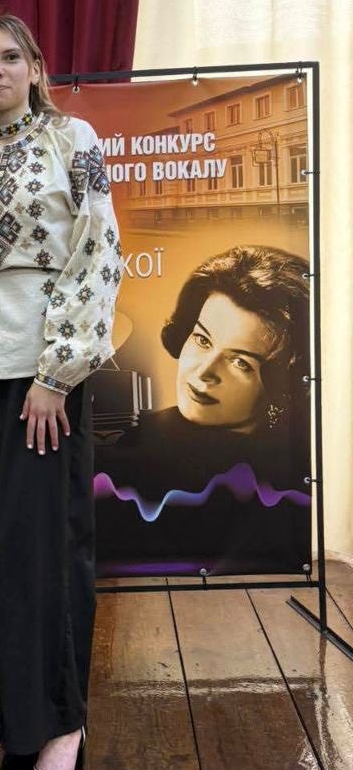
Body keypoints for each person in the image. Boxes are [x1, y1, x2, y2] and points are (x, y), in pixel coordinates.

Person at [0, 14, 121, 770]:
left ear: (37, 68)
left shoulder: (71, 140)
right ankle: (19, 718)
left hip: (39, 378)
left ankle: (61, 724)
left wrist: (57, 374)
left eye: (9, 57)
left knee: (43, 551)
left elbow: (97, 252)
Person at [95, 245, 312, 576]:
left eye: (240, 362)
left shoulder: (286, 479)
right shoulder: (140, 437)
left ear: (285, 384)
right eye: (202, 340)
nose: (204, 372)